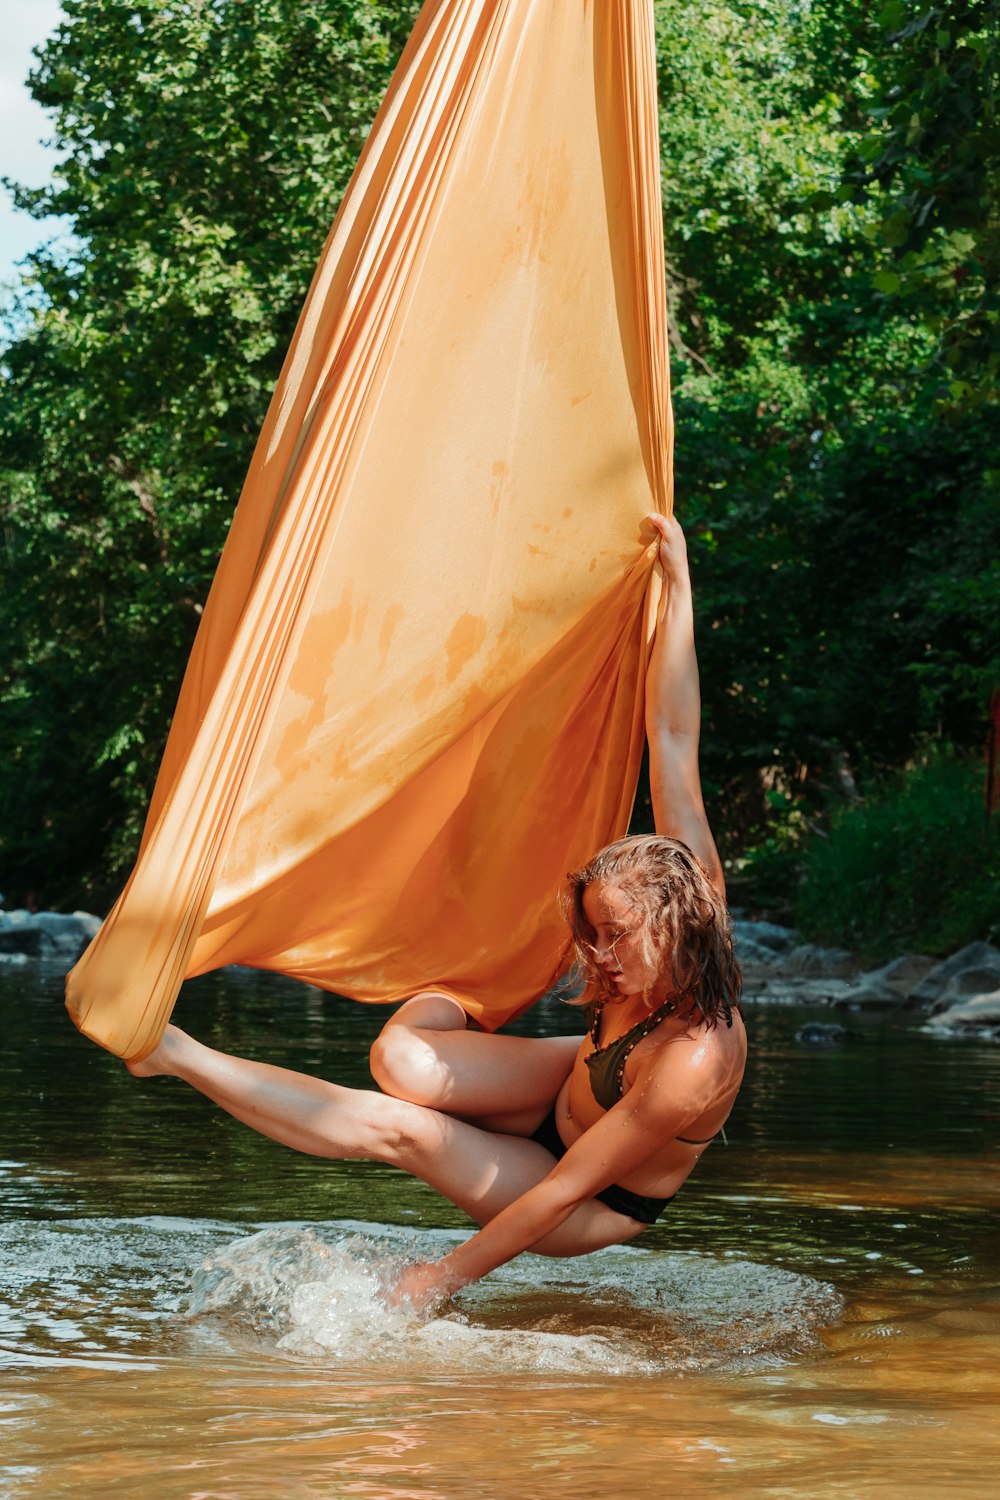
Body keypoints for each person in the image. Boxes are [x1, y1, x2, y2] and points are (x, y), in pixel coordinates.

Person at [128, 513, 747, 1311]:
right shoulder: (666, 905)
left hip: (589, 1197)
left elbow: (561, 1192)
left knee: (405, 1129)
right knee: (401, 1064)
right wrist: (678, 583)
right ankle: (463, 967)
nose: (599, 956)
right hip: (574, 1081)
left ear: (674, 920)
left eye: (616, 936)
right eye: (590, 935)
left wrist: (438, 1280)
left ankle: (173, 1054)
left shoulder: (694, 1062)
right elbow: (670, 734)